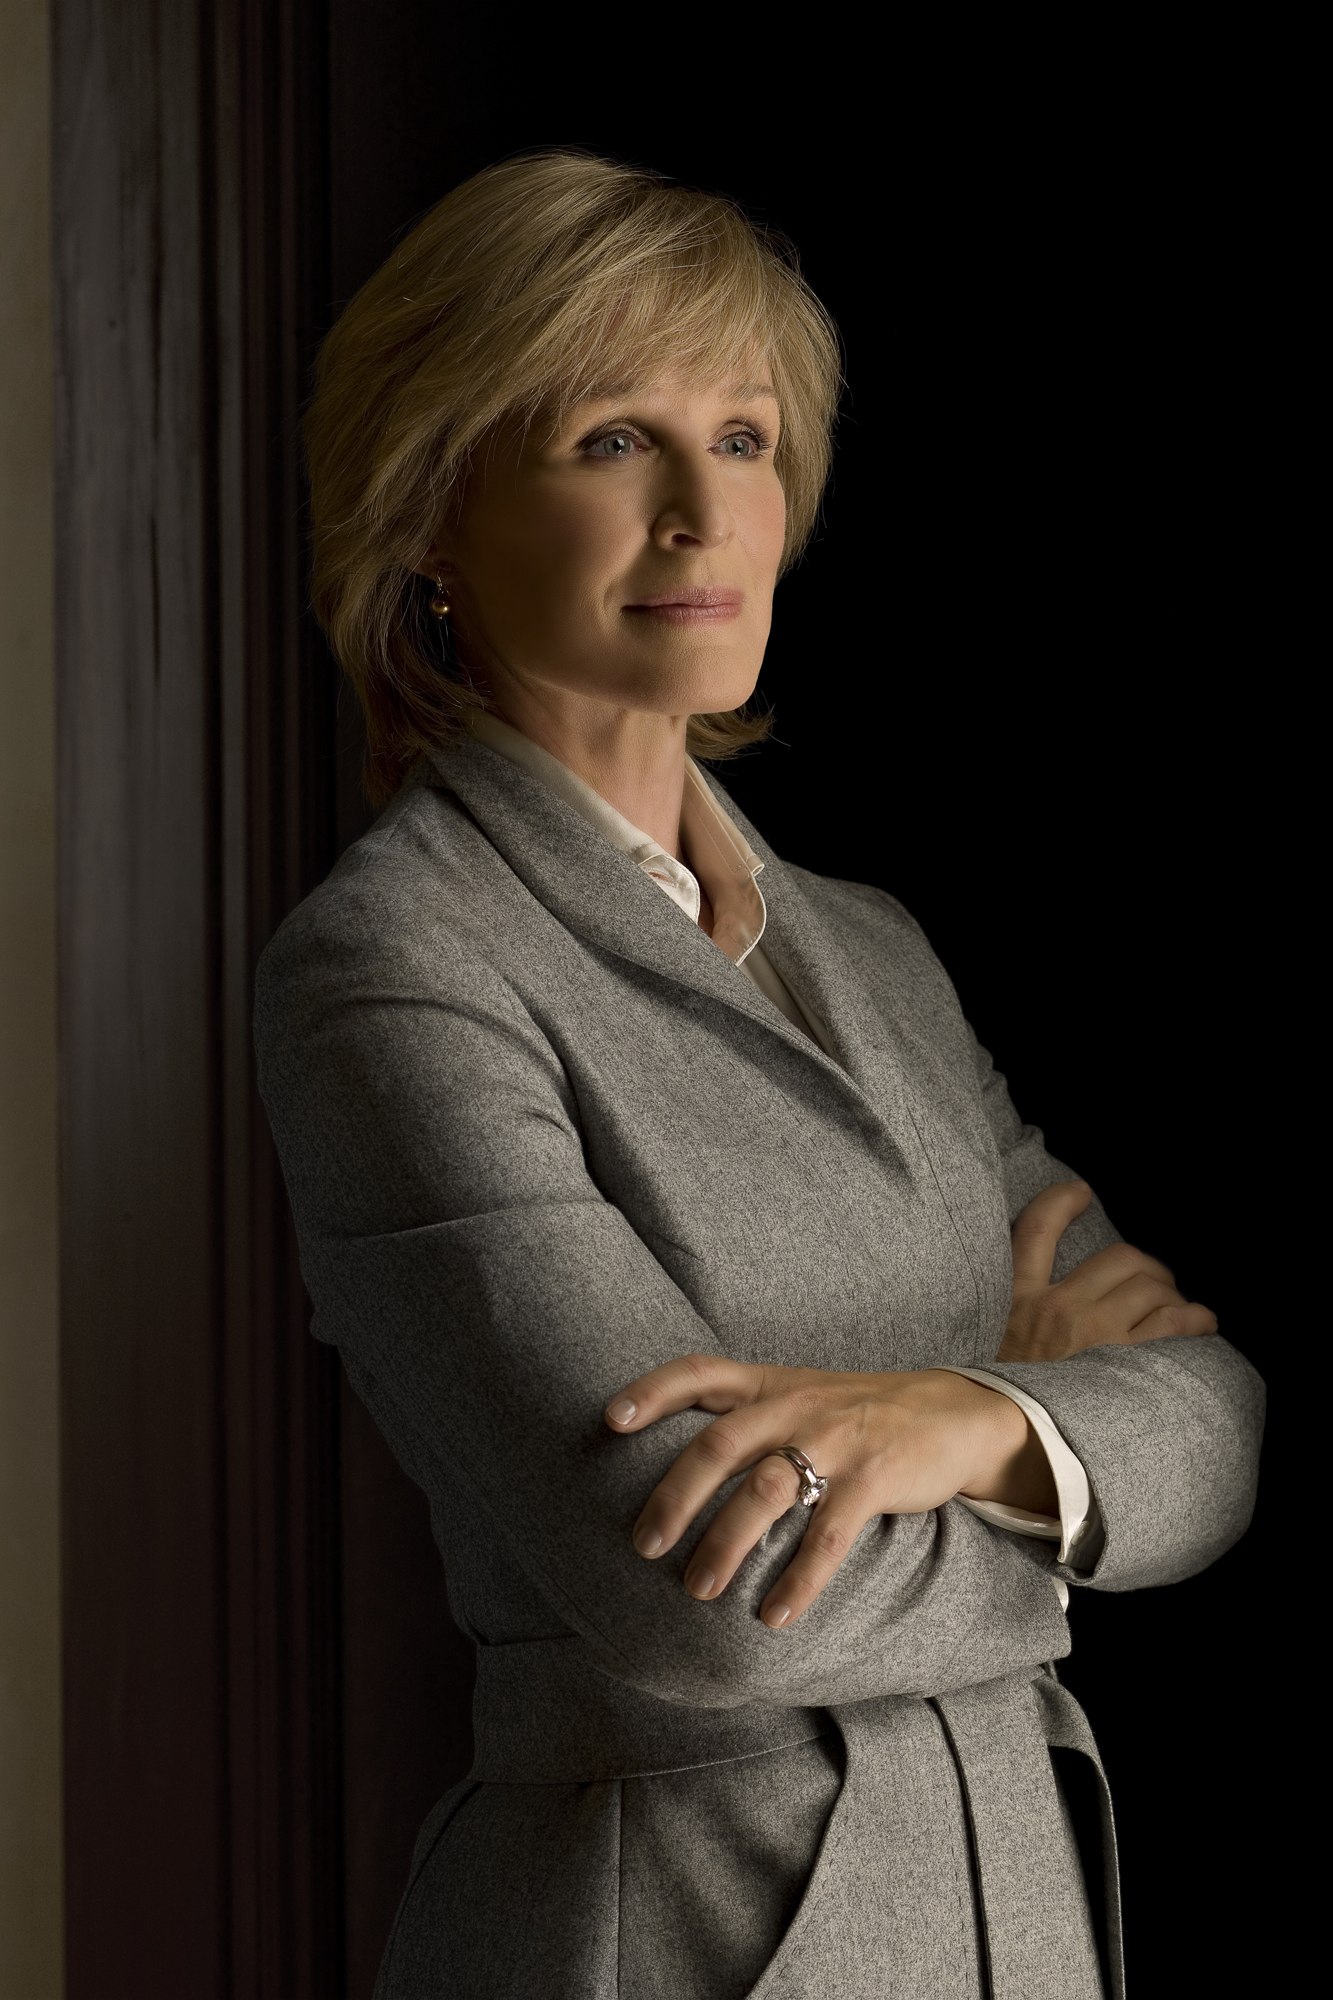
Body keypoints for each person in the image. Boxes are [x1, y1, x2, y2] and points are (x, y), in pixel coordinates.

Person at [252, 147, 1265, 1999]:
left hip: (1017, 1914)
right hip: (672, 1936)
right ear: (430, 515)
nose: (700, 514)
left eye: (740, 438)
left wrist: (962, 1427)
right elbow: (704, 1604)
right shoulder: (395, 969)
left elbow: (1218, 1424)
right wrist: (1066, 1465)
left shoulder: (870, 949)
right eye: (609, 441)